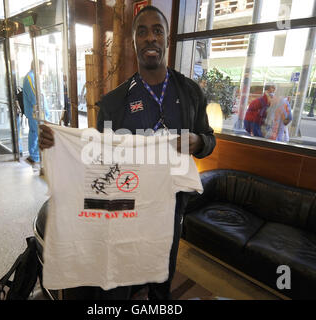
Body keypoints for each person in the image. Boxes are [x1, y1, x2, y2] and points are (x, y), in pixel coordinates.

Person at [39, 5, 216, 300]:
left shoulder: (190, 92)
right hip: (126, 206)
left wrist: (198, 142)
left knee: (162, 273)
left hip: (170, 206)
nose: (151, 38)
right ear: (134, 41)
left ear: (167, 39)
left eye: (157, 31)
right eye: (142, 32)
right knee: (122, 273)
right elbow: (96, 159)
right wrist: (57, 143)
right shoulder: (114, 102)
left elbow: (209, 139)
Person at [23, 60, 49, 164]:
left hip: (37, 112)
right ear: (36, 67)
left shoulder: (34, 77)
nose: (42, 71)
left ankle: (35, 156)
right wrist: (42, 110)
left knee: (34, 133)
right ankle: (36, 156)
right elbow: (35, 97)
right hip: (36, 112)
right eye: (41, 69)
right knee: (39, 133)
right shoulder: (30, 77)